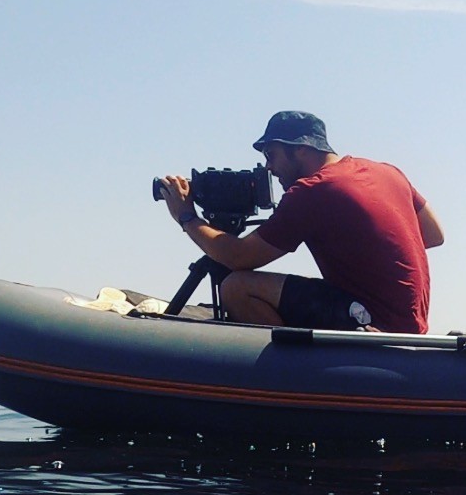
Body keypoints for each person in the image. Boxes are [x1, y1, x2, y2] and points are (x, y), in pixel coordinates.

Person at [158, 111, 444, 332]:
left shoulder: (313, 190)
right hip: (410, 323)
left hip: (375, 323)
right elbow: (433, 235)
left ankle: (293, 379)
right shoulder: (387, 172)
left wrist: (187, 216)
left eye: (272, 154)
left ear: (302, 149)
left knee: (236, 287)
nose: (269, 167)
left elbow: (238, 257)